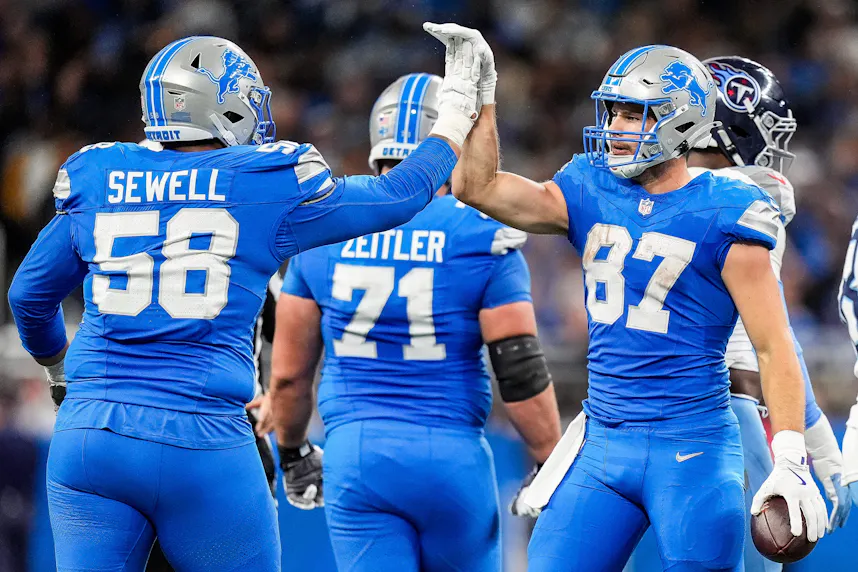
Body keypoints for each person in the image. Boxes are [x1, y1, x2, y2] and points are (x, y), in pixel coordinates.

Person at [7, 31, 484, 572]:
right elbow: (399, 195)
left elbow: (28, 296)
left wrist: (58, 372)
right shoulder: (264, 181)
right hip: (201, 439)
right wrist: (454, 112)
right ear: (224, 104)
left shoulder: (99, 173)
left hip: (91, 439)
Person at [430, 24, 828, 571]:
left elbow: (774, 345)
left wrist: (790, 455)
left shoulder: (728, 205)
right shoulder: (592, 184)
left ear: (682, 119)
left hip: (693, 445)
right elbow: (479, 188)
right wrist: (481, 97)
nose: (614, 128)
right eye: (612, 111)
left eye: (632, 114)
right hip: (604, 440)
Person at [256, 70, 562, 572]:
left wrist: (293, 453)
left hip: (357, 456)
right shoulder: (480, 233)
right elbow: (519, 367)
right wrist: (550, 458)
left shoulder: (325, 229)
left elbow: (288, 378)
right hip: (452, 457)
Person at [687, 56, 851, 571]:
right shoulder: (751, 198)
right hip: (728, 414)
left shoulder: (634, 194)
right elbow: (770, 345)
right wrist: (821, 447)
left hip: (632, 415)